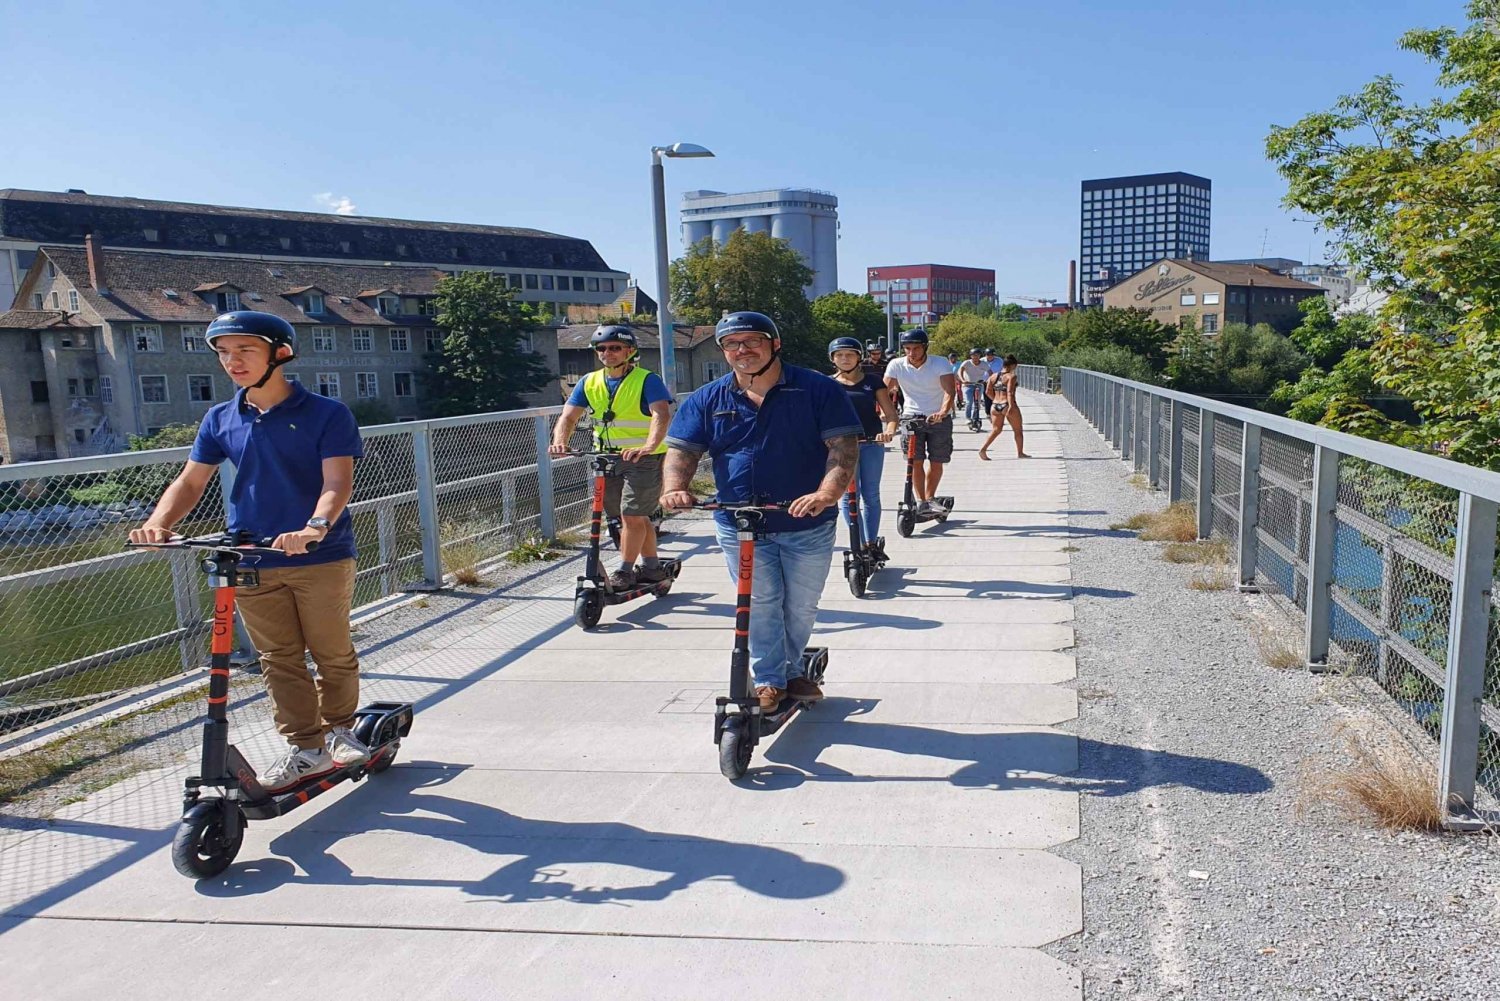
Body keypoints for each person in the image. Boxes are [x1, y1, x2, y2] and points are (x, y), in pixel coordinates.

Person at [127, 311, 367, 793]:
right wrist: (158, 523)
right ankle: (307, 748)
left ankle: (342, 730)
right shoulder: (221, 418)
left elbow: (336, 483)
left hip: (318, 554)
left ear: (280, 354)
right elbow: (191, 481)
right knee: (278, 658)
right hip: (252, 556)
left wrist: (314, 527)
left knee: (330, 650)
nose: (231, 362)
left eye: (244, 351)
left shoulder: (326, 413)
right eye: (223, 353)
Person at [660, 311, 860, 711]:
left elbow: (843, 448)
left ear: (775, 344)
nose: (741, 350)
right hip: (739, 521)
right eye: (731, 344)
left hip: (806, 521)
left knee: (800, 604)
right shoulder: (707, 398)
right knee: (761, 601)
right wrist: (674, 488)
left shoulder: (818, 390)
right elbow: (683, 449)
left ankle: (788, 670)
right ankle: (771, 680)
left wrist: (825, 493)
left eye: (751, 341)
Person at [549, 325, 673, 588]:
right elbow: (569, 416)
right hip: (606, 458)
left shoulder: (646, 379)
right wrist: (560, 442)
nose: (608, 353)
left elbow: (661, 415)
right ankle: (652, 567)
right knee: (630, 517)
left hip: (643, 459)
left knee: (632, 517)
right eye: (602, 348)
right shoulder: (589, 381)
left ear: (629, 351)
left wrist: (648, 446)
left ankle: (625, 572)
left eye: (615, 348)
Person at [827, 336, 899, 561]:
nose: (845, 359)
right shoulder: (828, 384)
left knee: (871, 494)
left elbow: (891, 415)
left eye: (849, 354)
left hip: (870, 443)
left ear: (859, 357)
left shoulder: (873, 381)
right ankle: (856, 541)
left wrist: (888, 431)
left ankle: (871, 543)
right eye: (839, 355)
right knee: (848, 496)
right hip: (841, 447)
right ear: (832, 359)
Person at [882, 327, 956, 514]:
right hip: (911, 416)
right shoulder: (896, 365)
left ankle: (930, 498)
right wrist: (884, 410)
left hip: (938, 417)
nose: (911, 353)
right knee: (915, 460)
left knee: (937, 460)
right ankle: (921, 501)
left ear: (924, 348)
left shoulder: (939, 363)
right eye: (907, 349)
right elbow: (883, 391)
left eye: (915, 348)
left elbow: (949, 390)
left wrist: (943, 411)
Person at [980, 353, 1031, 460]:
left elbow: (987, 391)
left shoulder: (993, 376)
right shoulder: (1011, 376)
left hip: (995, 405)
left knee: (996, 430)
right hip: (1007, 404)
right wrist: (1011, 406)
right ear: (1012, 365)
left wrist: (995, 399)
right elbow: (1010, 392)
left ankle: (983, 449)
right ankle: (1020, 453)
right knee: (1018, 430)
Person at [957, 347, 990, 429]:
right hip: (968, 384)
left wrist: (987, 380)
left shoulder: (984, 364)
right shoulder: (967, 363)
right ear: (971, 356)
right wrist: (963, 380)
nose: (975, 357)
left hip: (979, 384)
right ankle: (968, 418)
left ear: (980, 356)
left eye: (977, 355)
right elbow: (960, 371)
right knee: (969, 402)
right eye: (973, 355)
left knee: (977, 402)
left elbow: (990, 373)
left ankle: (976, 417)